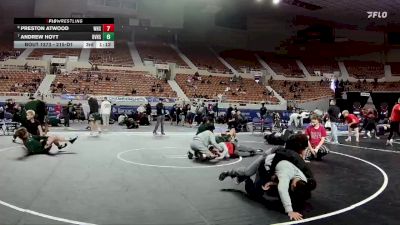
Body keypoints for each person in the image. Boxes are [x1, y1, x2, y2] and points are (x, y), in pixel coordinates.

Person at [219, 134, 315, 221]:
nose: (305, 152)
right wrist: (289, 210)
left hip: (276, 167)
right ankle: (230, 173)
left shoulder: (295, 157)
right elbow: (279, 178)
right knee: (248, 173)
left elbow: (304, 178)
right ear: (300, 148)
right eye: (305, 149)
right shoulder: (291, 156)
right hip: (267, 162)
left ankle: (246, 179)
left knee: (274, 184)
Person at [13, 127, 78, 156]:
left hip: (43, 146)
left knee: (52, 137)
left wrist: (45, 138)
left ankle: (59, 146)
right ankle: (69, 140)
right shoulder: (28, 141)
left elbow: (38, 137)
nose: (27, 132)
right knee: (54, 137)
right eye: (26, 132)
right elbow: (34, 150)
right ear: (24, 135)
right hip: (43, 149)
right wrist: (45, 143)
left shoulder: (29, 136)